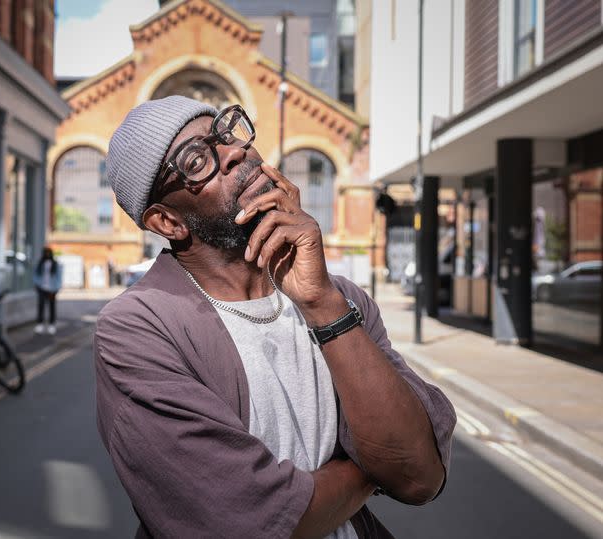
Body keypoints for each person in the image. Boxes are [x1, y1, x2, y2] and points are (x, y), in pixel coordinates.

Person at [94, 96, 457, 538]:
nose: (234, 152)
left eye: (226, 132)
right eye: (196, 160)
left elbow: (419, 475)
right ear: (168, 222)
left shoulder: (341, 297)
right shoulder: (139, 328)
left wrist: (322, 303)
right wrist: (368, 470)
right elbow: (243, 522)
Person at [33, 247, 61, 335]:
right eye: (46, 253)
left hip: (52, 289)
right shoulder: (40, 263)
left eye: (49, 253)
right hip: (42, 288)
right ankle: (40, 323)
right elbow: (35, 275)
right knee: (41, 306)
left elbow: (59, 277)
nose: (47, 255)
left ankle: (51, 324)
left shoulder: (55, 264)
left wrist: (56, 288)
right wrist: (37, 284)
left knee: (52, 307)